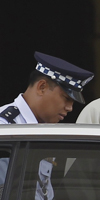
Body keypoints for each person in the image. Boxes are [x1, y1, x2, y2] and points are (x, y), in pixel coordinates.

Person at [0, 51, 94, 200]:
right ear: (42, 87)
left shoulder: (43, 129)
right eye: (66, 98)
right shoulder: (5, 126)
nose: (70, 108)